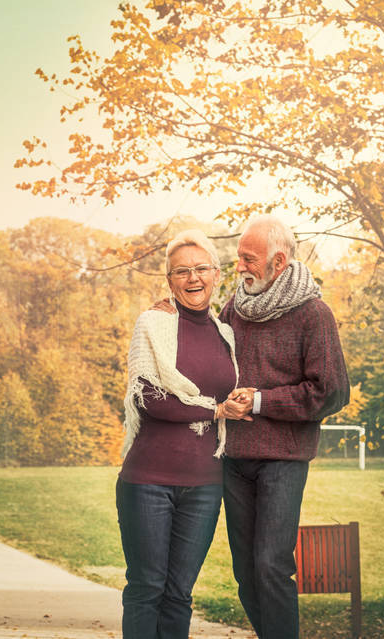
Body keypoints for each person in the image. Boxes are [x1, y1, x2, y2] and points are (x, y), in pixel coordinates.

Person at [157, 215, 350, 639]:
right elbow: (203, 345)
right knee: (246, 573)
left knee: (271, 567)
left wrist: (262, 401)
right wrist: (168, 316)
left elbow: (332, 393)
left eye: (248, 258)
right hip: (234, 458)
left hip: (283, 460)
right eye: (239, 257)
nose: (239, 266)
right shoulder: (235, 307)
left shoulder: (314, 314)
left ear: (278, 262)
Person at [118, 228, 241, 639]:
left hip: (206, 484)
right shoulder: (154, 323)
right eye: (182, 271)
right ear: (169, 281)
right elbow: (149, 397)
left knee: (179, 594)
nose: (193, 278)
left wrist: (235, 405)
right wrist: (217, 409)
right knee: (146, 588)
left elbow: (227, 388)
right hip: (148, 481)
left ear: (217, 274)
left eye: (201, 268)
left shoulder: (225, 334)